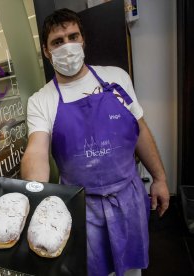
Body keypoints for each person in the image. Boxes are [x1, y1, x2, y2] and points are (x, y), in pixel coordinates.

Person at [21, 8, 170, 276]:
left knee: (133, 270)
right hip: (82, 209)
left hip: (128, 198)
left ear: (83, 39)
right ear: (46, 51)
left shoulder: (117, 77)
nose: (67, 46)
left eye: (72, 36)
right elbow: (37, 151)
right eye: (57, 41)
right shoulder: (41, 101)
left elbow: (141, 131)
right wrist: (36, 197)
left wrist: (159, 178)